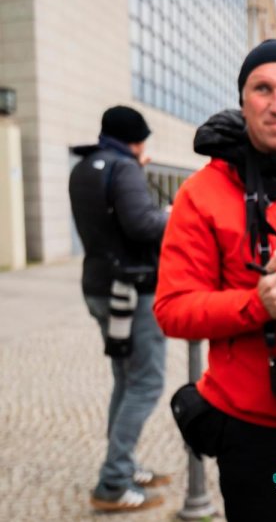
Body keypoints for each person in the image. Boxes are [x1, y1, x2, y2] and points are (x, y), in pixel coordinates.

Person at [154, 40, 276, 522]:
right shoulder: (202, 192)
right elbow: (172, 309)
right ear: (242, 101)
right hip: (249, 420)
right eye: (262, 89)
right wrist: (257, 304)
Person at [69, 105, 171, 512]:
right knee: (145, 383)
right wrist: (172, 215)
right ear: (137, 137)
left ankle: (122, 465)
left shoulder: (85, 165)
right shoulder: (124, 167)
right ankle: (112, 483)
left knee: (125, 379)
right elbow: (141, 225)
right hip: (131, 291)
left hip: (99, 286)